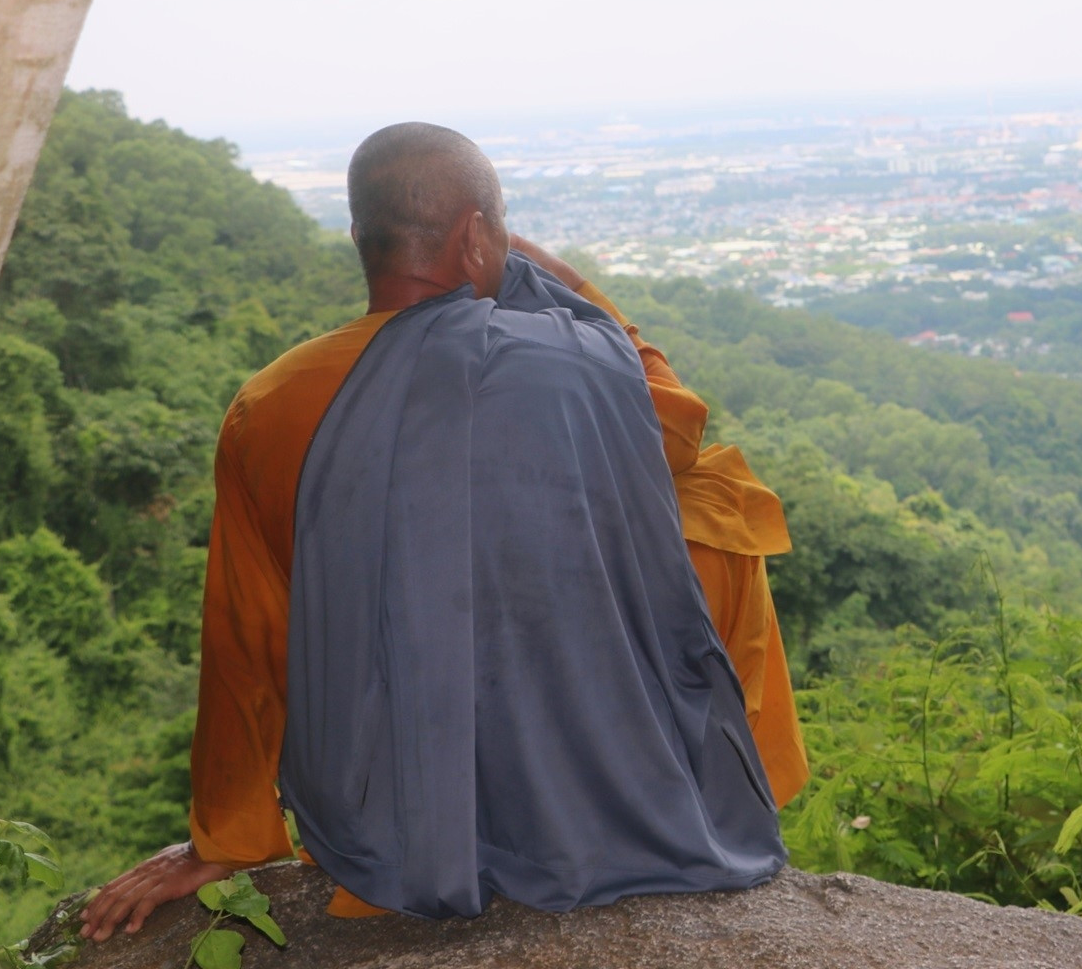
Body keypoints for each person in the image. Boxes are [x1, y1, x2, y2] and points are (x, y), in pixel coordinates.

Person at [81, 123, 807, 938]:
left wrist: (222, 836)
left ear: (359, 239)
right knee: (720, 500)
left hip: (391, 806)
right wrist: (532, 262)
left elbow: (249, 633)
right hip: (608, 765)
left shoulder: (269, 403)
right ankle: (731, 782)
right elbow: (673, 422)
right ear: (476, 232)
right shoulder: (573, 365)